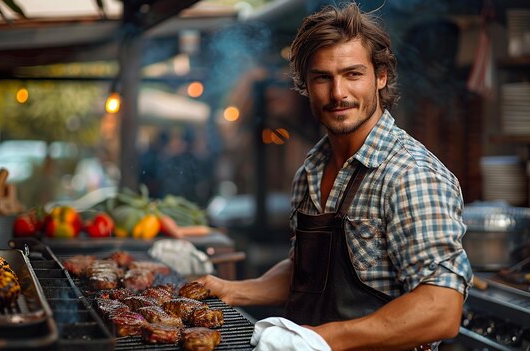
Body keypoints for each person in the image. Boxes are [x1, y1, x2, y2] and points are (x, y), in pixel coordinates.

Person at [198, 3, 473, 350]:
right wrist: (231, 290)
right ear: (305, 85)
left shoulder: (410, 174)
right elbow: (309, 273)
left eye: (353, 74)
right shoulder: (310, 172)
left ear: (381, 77)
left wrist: (318, 339)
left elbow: (442, 309)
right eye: (322, 78)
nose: (338, 92)